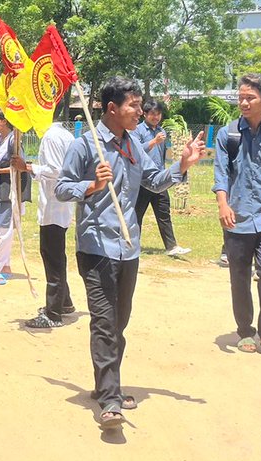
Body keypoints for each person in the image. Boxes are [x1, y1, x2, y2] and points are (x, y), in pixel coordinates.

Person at [56, 77, 204, 430]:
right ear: (112, 109)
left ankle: (107, 384)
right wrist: (91, 185)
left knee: (118, 323)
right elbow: (62, 187)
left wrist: (182, 166)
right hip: (96, 247)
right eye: (134, 106)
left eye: (140, 105)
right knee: (105, 323)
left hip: (128, 247)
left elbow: (153, 181)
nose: (141, 111)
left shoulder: (136, 144)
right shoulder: (84, 146)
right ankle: (110, 400)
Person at [213, 74, 261, 360]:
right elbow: (221, 173)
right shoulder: (228, 134)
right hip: (237, 217)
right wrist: (223, 203)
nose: (244, 102)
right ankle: (245, 330)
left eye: (250, 98)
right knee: (239, 275)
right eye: (241, 97)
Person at [13, 115, 77, 329]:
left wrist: (28, 167)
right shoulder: (65, 135)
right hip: (60, 205)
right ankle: (63, 302)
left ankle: (53, 313)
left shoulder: (51, 137)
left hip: (54, 205)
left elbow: (56, 171)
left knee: (53, 258)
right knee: (56, 255)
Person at [132, 100, 190, 257]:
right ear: (145, 114)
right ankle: (132, 245)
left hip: (160, 178)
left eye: (158, 114)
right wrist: (153, 141)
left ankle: (171, 246)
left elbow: (161, 155)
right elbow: (135, 151)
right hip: (143, 180)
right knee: (136, 215)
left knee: (164, 213)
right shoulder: (137, 130)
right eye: (152, 114)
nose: (156, 117)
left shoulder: (161, 131)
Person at [0, 109, 29, 284]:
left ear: (4, 122)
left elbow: (19, 166)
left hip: (7, 187)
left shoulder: (14, 141)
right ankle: (5, 265)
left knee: (4, 228)